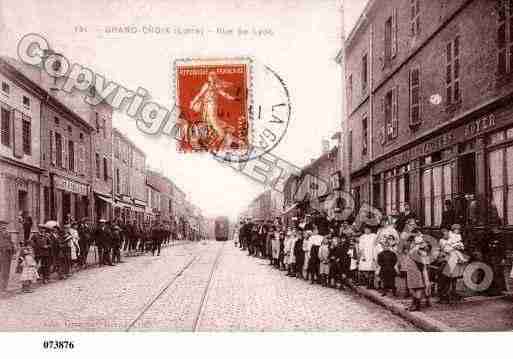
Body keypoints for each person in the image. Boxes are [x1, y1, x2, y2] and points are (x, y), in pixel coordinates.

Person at [403, 232, 431, 311]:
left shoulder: (420, 250)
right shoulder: (412, 248)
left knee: (418, 287)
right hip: (411, 270)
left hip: (418, 270)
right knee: (412, 288)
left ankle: (416, 304)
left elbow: (423, 263)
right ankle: (414, 303)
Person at [358, 224, 377, 289]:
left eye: (368, 229)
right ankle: (367, 283)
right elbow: (361, 247)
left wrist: (375, 254)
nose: (367, 230)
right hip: (365, 254)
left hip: (372, 254)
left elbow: (376, 245)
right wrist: (363, 256)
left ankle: (371, 283)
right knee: (365, 270)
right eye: (365, 229)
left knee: (372, 269)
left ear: (370, 229)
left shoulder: (374, 236)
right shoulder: (362, 237)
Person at [0, 220, 15, 295]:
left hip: (7, 256)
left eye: (5, 226)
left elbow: (11, 244)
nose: (3, 227)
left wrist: (13, 251)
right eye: (2, 226)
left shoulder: (8, 234)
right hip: (1, 254)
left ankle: (4, 288)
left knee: (6, 272)